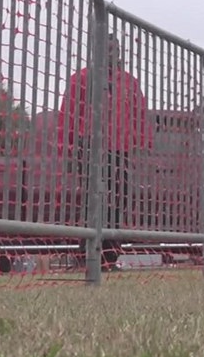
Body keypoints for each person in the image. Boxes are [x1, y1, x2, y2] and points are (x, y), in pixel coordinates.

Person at [56, 32, 151, 271]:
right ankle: (88, 256)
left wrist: (143, 145)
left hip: (121, 150)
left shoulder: (129, 81)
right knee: (93, 201)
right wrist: (68, 148)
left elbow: (140, 114)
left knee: (118, 201)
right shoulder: (82, 78)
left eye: (113, 49)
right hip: (89, 147)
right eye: (105, 48)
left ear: (119, 52)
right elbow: (68, 114)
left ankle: (109, 257)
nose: (110, 53)